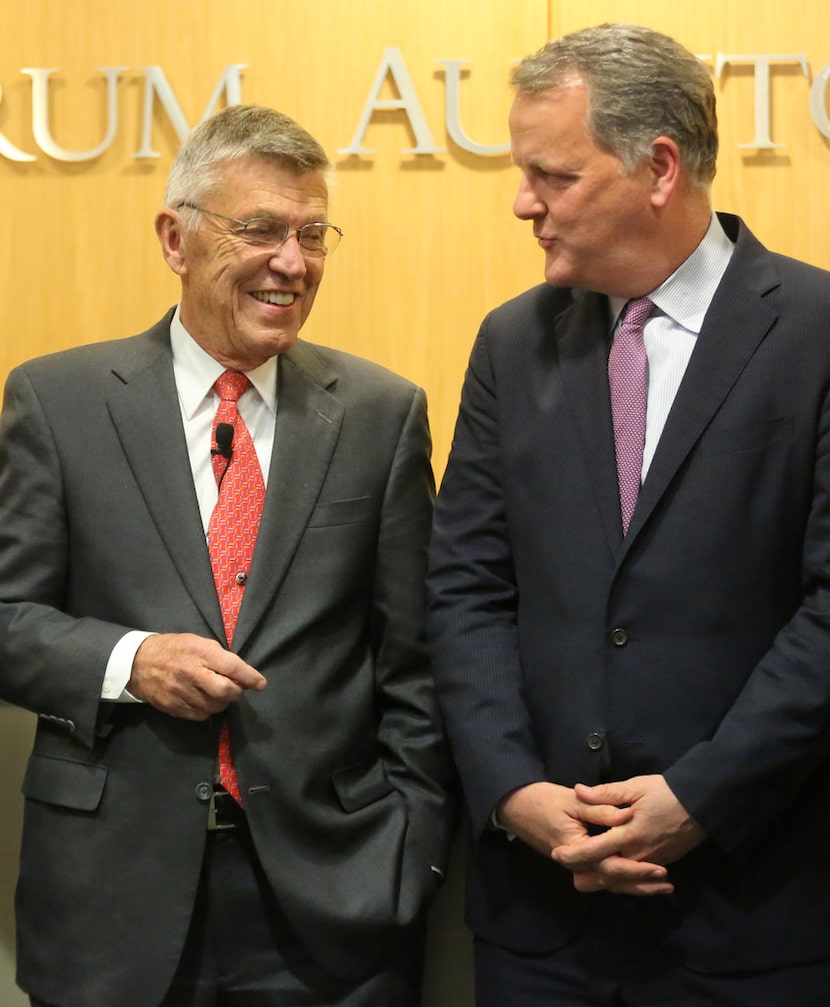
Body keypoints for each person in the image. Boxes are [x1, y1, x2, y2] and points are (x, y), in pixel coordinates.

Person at [0, 103, 455, 1007]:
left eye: (312, 234)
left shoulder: (380, 414)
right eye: (259, 230)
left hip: (331, 901)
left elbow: (416, 659)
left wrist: (409, 847)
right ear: (176, 237)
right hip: (110, 899)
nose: (292, 261)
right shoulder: (58, 401)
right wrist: (131, 661)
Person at [426, 22, 830, 1007]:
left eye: (552, 175)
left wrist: (700, 794)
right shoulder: (511, 342)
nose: (524, 203)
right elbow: (464, 588)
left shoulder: (814, 332)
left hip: (752, 906)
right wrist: (514, 791)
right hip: (539, 916)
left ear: (656, 167)